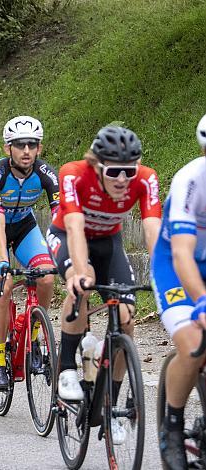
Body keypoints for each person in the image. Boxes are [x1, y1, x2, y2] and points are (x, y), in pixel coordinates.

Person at [47, 126, 161, 444]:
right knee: (81, 285)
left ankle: (112, 400)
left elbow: (152, 229)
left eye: (129, 170)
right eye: (114, 171)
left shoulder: (146, 178)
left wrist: (165, 275)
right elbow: (73, 224)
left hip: (109, 243)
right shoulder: (74, 174)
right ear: (97, 166)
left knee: (127, 319)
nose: (123, 179)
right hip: (69, 237)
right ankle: (67, 368)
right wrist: (80, 272)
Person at [0, 116, 59, 389]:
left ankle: (34, 336)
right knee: (3, 283)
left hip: (24, 227)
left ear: (39, 148)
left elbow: (61, 219)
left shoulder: (46, 174)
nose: (26, 150)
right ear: (7, 147)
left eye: (31, 145)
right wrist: (2, 262)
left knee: (46, 277)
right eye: (19, 145)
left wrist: (66, 255)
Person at [153, 114, 206, 469]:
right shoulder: (191, 179)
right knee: (194, 344)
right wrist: (201, 301)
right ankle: (171, 426)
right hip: (176, 270)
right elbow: (182, 254)